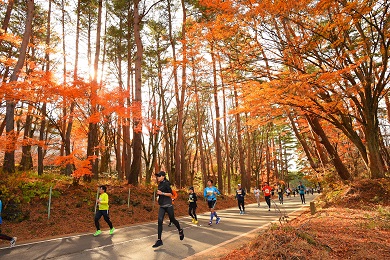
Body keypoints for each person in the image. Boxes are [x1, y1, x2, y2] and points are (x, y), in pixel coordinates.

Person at [153, 171, 184, 248]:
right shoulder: (160, 184)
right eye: (157, 176)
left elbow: (171, 194)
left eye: (159, 176)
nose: (158, 177)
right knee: (160, 221)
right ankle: (159, 240)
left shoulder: (166, 183)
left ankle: (180, 230)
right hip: (162, 205)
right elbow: (160, 193)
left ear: (163, 176)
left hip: (168, 205)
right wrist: (158, 197)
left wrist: (162, 194)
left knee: (172, 219)